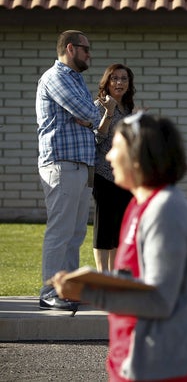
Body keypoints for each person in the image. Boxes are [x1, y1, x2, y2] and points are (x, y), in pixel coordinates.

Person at [49, 113, 187, 381]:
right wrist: (91, 279)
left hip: (161, 362)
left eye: (116, 148)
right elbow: (134, 278)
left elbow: (160, 300)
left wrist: (89, 292)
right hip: (137, 354)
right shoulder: (138, 204)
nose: (109, 156)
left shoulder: (165, 210)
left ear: (138, 157)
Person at [36, 30, 108, 311]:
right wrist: (89, 115)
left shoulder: (76, 79)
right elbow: (92, 113)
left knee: (76, 232)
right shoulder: (56, 77)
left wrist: (87, 116)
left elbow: (87, 115)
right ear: (70, 48)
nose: (90, 54)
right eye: (85, 49)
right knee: (60, 231)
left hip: (80, 165)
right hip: (61, 164)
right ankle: (49, 291)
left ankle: (67, 289)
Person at [91, 64, 136, 272]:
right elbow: (96, 140)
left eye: (124, 79)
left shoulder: (128, 109)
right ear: (107, 82)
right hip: (104, 175)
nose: (119, 83)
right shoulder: (98, 106)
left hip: (124, 176)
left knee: (119, 229)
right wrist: (108, 114)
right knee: (104, 228)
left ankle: (115, 276)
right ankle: (103, 276)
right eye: (115, 78)